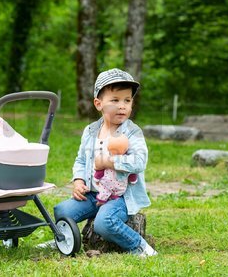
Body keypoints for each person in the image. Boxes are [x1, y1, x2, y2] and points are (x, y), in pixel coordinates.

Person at [41, 68, 157, 257]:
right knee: (62, 210)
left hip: (120, 197)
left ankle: (140, 247)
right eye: (115, 100)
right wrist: (78, 181)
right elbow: (80, 160)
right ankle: (64, 239)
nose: (122, 106)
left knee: (104, 223)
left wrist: (110, 162)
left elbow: (139, 162)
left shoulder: (132, 132)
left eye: (127, 100)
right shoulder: (91, 131)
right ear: (98, 103)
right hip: (94, 193)